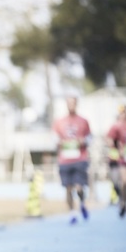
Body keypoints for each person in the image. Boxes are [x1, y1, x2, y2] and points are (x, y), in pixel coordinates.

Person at [52, 96, 91, 225]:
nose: (71, 105)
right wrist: (59, 143)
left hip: (80, 159)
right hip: (65, 160)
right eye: (68, 103)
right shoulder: (59, 122)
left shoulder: (83, 121)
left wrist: (83, 141)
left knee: (79, 188)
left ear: (76, 104)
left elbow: (91, 138)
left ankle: (82, 203)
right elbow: (54, 139)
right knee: (68, 188)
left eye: (73, 103)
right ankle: (72, 213)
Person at [107, 103, 126, 217]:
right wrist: (118, 151)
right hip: (124, 160)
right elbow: (109, 139)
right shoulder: (118, 126)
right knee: (125, 182)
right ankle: (123, 202)